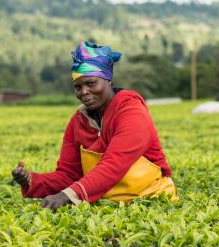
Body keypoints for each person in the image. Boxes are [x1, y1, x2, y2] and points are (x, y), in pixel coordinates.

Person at [12, 41, 178, 210]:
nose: (84, 92)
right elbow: (69, 175)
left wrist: (67, 195)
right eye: (78, 87)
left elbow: (113, 165)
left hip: (150, 200)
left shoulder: (133, 112)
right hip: (106, 204)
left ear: (108, 81)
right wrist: (32, 180)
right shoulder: (78, 122)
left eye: (91, 84)